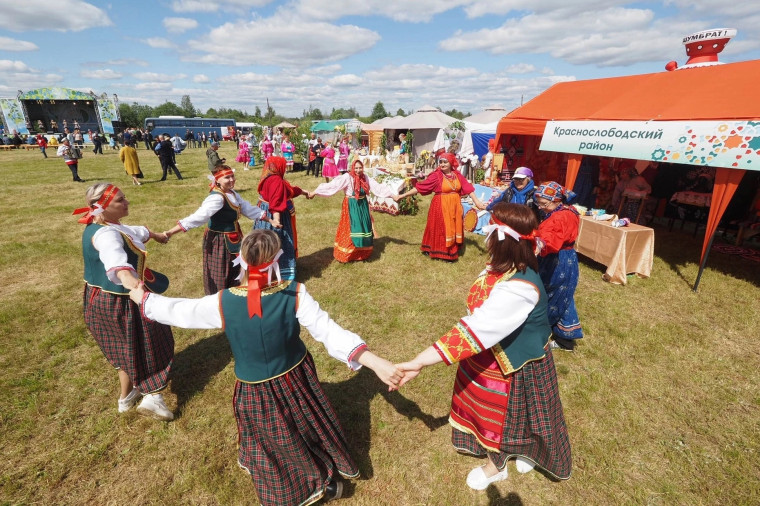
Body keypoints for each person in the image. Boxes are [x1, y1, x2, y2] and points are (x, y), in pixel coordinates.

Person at [129, 229, 401, 505]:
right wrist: (375, 362)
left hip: (254, 387)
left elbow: (181, 310)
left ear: (242, 259)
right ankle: (317, 475)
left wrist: (144, 299)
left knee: (272, 438)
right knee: (303, 424)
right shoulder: (294, 293)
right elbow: (329, 332)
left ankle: (296, 481)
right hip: (296, 377)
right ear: (277, 260)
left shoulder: (223, 301)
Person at [395, 203, 572, 490]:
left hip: (516, 361)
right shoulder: (499, 267)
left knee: (509, 418)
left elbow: (475, 330)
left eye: (489, 231)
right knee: (493, 409)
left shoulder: (519, 286)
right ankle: (516, 450)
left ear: (501, 241)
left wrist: (418, 362)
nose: (484, 236)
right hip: (488, 354)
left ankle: (497, 465)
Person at [72, 183, 175, 421]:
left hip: (97, 299)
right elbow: (117, 262)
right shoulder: (107, 235)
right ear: (102, 207)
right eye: (120, 200)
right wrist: (134, 285)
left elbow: (134, 231)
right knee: (152, 343)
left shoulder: (103, 225)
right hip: (122, 300)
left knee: (125, 349)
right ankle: (153, 397)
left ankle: (126, 399)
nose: (126, 202)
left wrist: (157, 235)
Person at [163, 166, 274, 295]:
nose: (232, 179)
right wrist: (171, 232)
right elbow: (198, 217)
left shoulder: (232, 193)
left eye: (232, 176)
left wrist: (270, 220)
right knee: (221, 271)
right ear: (217, 180)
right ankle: (218, 298)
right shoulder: (217, 198)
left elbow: (247, 208)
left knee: (236, 267)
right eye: (227, 177)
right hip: (219, 241)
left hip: (235, 237)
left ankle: (235, 293)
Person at [395, 153, 486, 261]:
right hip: (441, 205)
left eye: (445, 162)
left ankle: (452, 246)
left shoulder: (457, 175)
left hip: (455, 206)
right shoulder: (436, 176)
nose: (442, 164)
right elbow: (421, 187)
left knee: (453, 226)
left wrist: (477, 202)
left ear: (451, 162)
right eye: (441, 162)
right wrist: (402, 196)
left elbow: (468, 188)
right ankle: (442, 252)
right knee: (442, 228)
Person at [310, 159, 398, 263]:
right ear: (352, 168)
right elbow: (333, 186)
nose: (358, 170)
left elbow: (378, 188)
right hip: (351, 204)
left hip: (363, 204)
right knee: (352, 227)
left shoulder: (365, 178)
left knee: (363, 226)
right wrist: (315, 192)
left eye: (360, 168)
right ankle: (348, 253)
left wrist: (393, 195)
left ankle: (361, 252)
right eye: (356, 168)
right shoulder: (347, 177)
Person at [533, 182, 583, 351]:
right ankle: (566, 337)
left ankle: (540, 330)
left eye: (543, 204)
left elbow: (551, 240)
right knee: (564, 295)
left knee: (550, 295)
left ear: (556, 200)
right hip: (563, 258)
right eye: (538, 203)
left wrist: (537, 247)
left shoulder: (560, 217)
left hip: (557, 261)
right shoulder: (566, 211)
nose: (540, 207)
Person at [254, 156, 305, 280]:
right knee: (279, 241)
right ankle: (281, 272)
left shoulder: (268, 177)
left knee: (263, 242)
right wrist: (276, 220)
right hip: (274, 214)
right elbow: (276, 203)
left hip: (264, 212)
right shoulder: (276, 181)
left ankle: (261, 269)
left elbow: (289, 191)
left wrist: (303, 191)